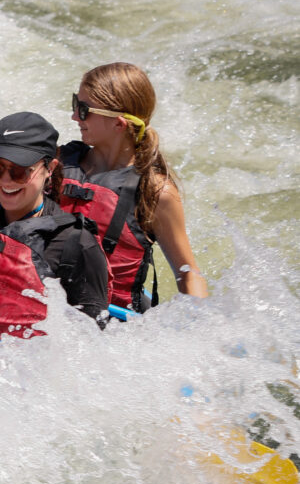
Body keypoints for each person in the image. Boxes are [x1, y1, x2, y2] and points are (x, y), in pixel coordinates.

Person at [0, 112, 111, 338]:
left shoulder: (76, 243)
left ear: (49, 168)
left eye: (19, 171)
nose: (5, 180)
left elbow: (91, 347)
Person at [59, 62, 208, 310]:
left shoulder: (156, 192)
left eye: (84, 110)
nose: (74, 116)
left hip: (115, 330)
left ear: (119, 124)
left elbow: (188, 273)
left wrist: (201, 323)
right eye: (76, 103)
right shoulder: (57, 164)